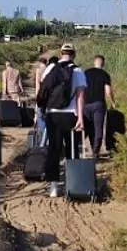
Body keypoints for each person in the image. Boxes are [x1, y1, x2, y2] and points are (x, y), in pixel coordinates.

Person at [38, 43, 87, 198]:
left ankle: (53, 186)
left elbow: (42, 89)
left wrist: (41, 110)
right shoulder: (78, 71)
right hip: (70, 115)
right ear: (74, 54)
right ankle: (72, 184)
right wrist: (80, 118)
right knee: (72, 149)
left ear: (61, 54)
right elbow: (80, 96)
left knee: (54, 149)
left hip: (52, 114)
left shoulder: (50, 69)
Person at [83, 54, 117, 158]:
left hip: (86, 104)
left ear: (94, 62)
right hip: (99, 104)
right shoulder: (105, 74)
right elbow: (108, 91)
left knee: (89, 128)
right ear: (103, 63)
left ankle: (82, 149)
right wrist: (113, 102)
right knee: (98, 129)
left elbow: (81, 89)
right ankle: (95, 152)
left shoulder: (86, 73)